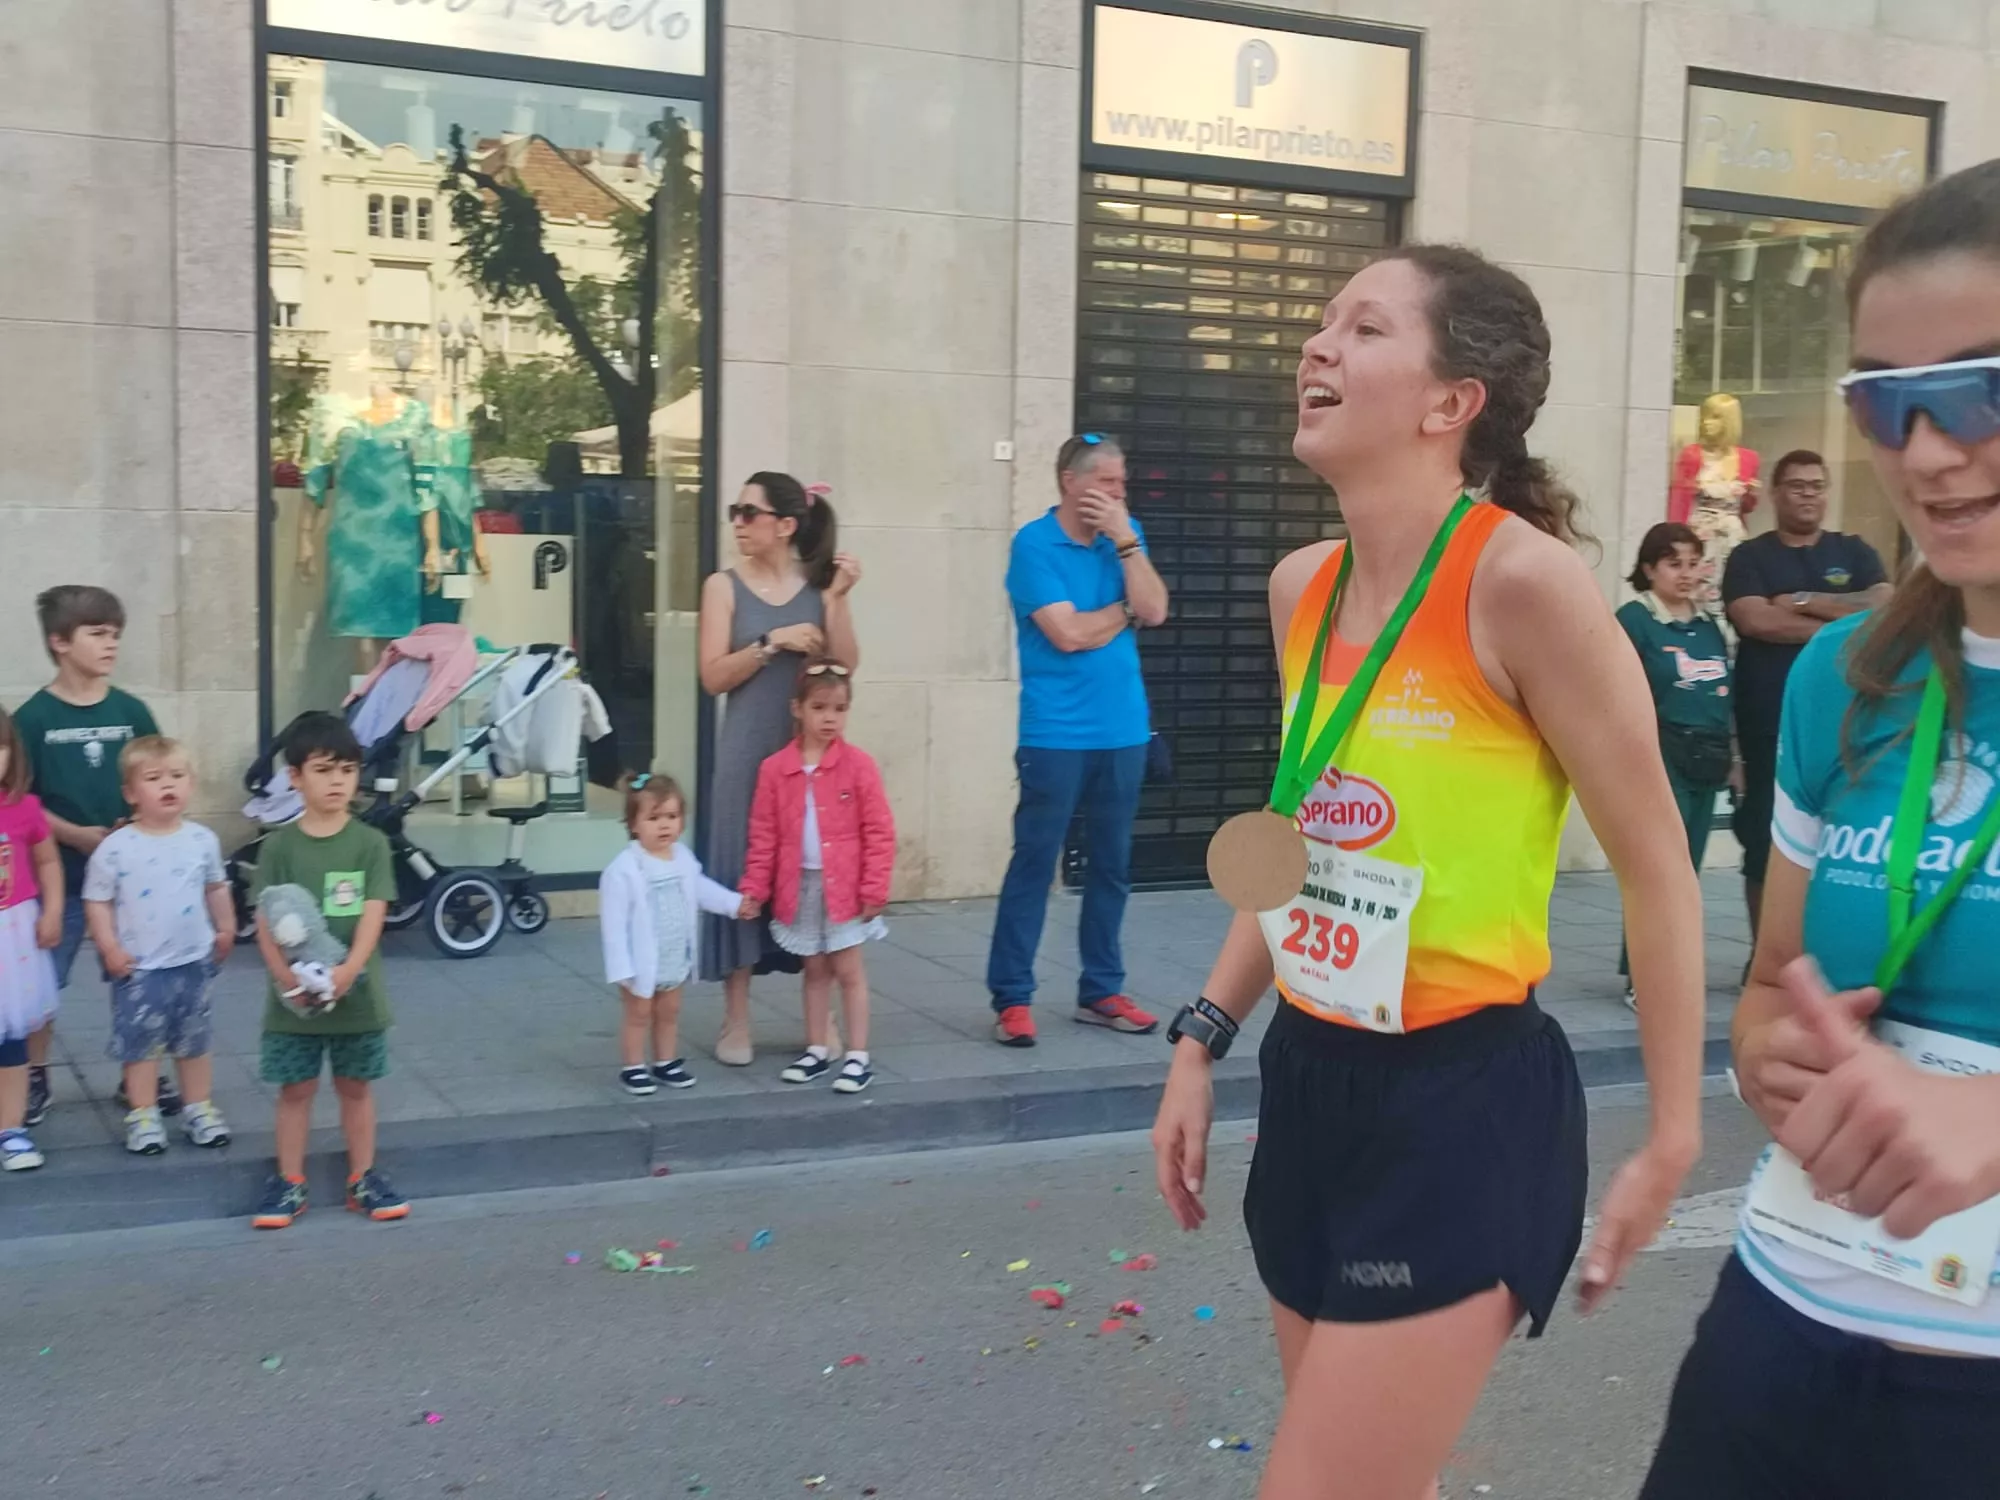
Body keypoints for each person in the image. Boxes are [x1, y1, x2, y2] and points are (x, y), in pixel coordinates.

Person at [1148, 245, 1705, 1500]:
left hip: (1461, 1108)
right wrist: (1201, 1035)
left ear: (1451, 403)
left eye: (1363, 328)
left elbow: (1658, 867)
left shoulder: (1523, 587)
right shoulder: (1304, 587)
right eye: (1321, 323)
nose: (1317, 346)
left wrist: (1671, 1134)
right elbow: (1301, 845)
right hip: (1309, 1084)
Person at [1640, 159, 2000, 1500]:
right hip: (1784, 1330)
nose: (1927, 451)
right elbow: (1769, 983)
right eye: (1886, 403)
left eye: (1978, 388)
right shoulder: (1847, 684)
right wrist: (1772, 1058)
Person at [986, 433, 1171, 1048]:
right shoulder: (1034, 544)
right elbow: (1065, 633)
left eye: (1122, 485)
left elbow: (1158, 607)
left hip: (1123, 729)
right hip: (1056, 733)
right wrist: (1124, 612)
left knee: (1112, 867)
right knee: (1035, 864)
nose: (1119, 495)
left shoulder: (1126, 535)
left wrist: (1126, 542)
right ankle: (1011, 998)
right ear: (1072, 480)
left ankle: (1101, 991)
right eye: (1109, 484)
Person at [697, 473, 862, 1067]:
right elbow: (712, 676)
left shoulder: (816, 590)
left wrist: (838, 600)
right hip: (745, 754)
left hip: (808, 762)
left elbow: (845, 665)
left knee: (811, 877)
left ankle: (821, 1023)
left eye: (749, 512)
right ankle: (734, 1020)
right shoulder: (723, 586)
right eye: (734, 511)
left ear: (786, 525)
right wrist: (771, 642)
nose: (738, 522)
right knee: (744, 873)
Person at [10, 585, 168, 1126]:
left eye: (115, 635)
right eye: (97, 634)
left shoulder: (132, 712)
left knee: (135, 979)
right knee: (41, 984)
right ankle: (32, 1075)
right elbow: (20, 802)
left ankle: (138, 1076)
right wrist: (76, 834)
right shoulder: (33, 719)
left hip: (130, 883)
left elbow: (157, 775)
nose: (110, 645)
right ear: (59, 642)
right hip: (60, 881)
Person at [1723, 450, 1891, 942]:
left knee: (1847, 835)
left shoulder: (1854, 551)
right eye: (1797, 485)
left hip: (1847, 722)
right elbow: (1756, 620)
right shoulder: (1750, 557)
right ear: (1775, 493)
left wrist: (1802, 600)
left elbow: (1882, 608)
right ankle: (1766, 955)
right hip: (1767, 724)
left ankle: (1832, 950)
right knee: (1764, 841)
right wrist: (1842, 619)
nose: (1808, 494)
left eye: (1817, 485)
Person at [247, 712, 407, 1229]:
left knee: (356, 1087)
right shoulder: (278, 848)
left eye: (346, 769)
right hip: (294, 1003)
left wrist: (350, 970)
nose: (337, 780)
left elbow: (374, 914)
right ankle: (290, 1183)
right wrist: (284, 980)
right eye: (322, 769)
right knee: (295, 1091)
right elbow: (266, 923)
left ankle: (363, 1178)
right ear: (295, 777)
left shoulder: (369, 844)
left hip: (356, 996)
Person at [740, 661, 895, 1095]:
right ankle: (816, 1048)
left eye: (840, 709)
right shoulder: (776, 769)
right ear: (798, 709)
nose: (830, 718)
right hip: (801, 885)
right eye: (820, 707)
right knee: (814, 970)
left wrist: (874, 887)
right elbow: (763, 833)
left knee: (849, 969)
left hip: (846, 886)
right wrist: (755, 886)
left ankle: (858, 1055)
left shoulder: (858, 766)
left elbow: (879, 830)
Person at [81, 737, 234, 1155]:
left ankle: (199, 1107)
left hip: (193, 960)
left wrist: (225, 926)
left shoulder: (202, 840)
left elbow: (216, 886)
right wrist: (109, 946)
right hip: (140, 967)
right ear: (131, 793)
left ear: (191, 783)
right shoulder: (116, 848)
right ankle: (143, 1113)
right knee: (141, 1045)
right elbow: (97, 900)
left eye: (177, 776)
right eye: (153, 778)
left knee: (194, 1041)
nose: (168, 785)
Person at [1616, 522, 1736, 1007]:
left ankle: (1674, 969)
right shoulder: (1634, 620)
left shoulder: (1711, 625)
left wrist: (1735, 756)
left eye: (1693, 563)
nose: (1685, 574)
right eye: (1673, 563)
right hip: (1659, 755)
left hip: (1706, 759)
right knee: (1656, 869)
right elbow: (1615, 690)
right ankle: (1640, 975)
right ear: (1649, 569)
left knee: (1687, 872)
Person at [598, 772, 753, 1096]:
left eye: (671, 816)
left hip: (674, 955)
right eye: (654, 818)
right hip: (640, 960)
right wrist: (621, 969)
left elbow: (700, 888)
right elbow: (612, 927)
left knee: (669, 1011)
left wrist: (734, 904)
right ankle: (633, 1066)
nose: (664, 825)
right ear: (633, 824)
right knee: (639, 1013)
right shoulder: (624, 869)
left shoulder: (682, 858)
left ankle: (665, 1061)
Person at [0, 707, 61, 1172]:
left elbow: (47, 862)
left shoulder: (22, 808)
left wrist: (54, 910)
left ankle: (12, 1127)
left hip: (12, 936)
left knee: (11, 1039)